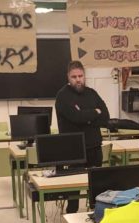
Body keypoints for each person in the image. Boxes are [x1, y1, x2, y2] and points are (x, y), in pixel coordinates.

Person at [55, 60, 110, 213]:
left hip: (94, 146)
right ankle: (70, 221)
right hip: (73, 150)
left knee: (97, 188)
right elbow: (76, 117)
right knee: (73, 192)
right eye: (74, 77)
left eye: (80, 76)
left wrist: (85, 115)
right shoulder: (62, 96)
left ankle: (96, 215)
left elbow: (105, 117)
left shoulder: (92, 93)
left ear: (84, 76)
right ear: (68, 77)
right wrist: (94, 112)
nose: (78, 79)